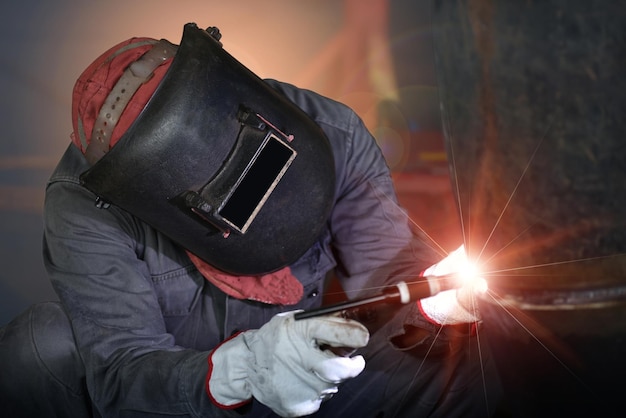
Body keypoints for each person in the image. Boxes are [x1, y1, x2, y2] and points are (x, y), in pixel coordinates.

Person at [0, 23, 500, 417]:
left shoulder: (330, 131)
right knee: (38, 347)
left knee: (456, 360)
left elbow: (387, 275)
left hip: (323, 371)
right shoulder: (86, 205)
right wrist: (236, 376)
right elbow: (122, 369)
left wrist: (433, 305)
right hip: (195, 393)